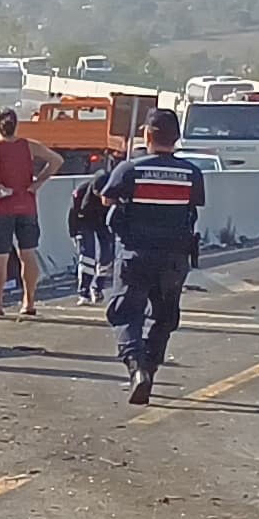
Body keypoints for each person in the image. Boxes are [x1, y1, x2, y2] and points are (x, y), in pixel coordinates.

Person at [98, 111, 211, 405]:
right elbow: (193, 205)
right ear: (177, 138)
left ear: (147, 135)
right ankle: (150, 365)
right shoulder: (191, 173)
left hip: (135, 256)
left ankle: (136, 368)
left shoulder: (129, 169)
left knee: (126, 313)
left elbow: (107, 198)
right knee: (165, 317)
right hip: (174, 259)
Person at [0, 108, 45, 317]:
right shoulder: (28, 146)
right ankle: (29, 302)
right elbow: (56, 160)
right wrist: (38, 182)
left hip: (4, 206)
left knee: (0, 256)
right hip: (27, 204)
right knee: (28, 253)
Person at [66, 166, 117, 306]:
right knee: (87, 256)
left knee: (107, 256)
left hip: (104, 223)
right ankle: (84, 292)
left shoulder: (113, 193)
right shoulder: (81, 192)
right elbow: (73, 213)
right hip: (85, 221)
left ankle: (98, 288)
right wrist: (74, 233)